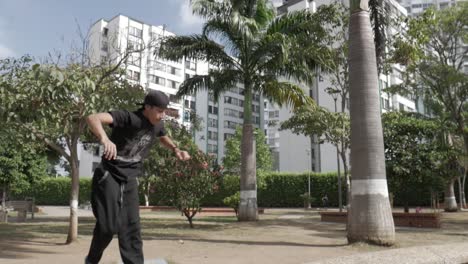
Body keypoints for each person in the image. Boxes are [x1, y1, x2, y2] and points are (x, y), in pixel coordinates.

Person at [85, 90, 190, 264]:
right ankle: (91, 260)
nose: (162, 115)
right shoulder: (128, 118)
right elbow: (92, 117)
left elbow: (162, 136)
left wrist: (175, 150)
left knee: (131, 227)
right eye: (159, 110)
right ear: (147, 107)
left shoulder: (157, 124)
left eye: (165, 111)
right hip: (109, 175)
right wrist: (104, 138)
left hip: (130, 178)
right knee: (107, 227)